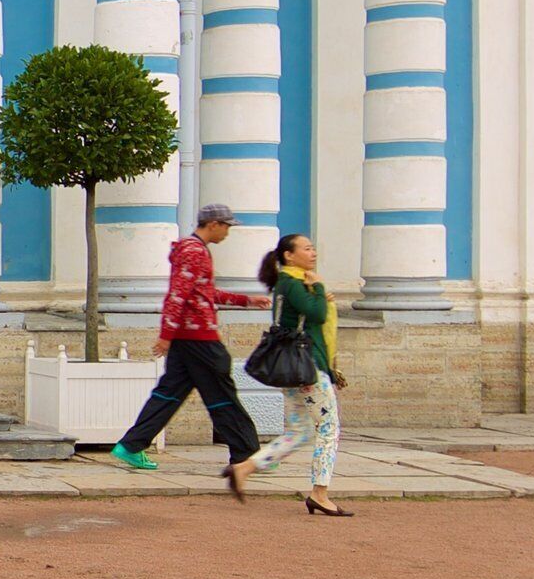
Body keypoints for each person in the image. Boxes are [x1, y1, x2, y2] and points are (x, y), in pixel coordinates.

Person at [109, 202, 265, 493]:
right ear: (213, 224)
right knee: (222, 395)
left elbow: (203, 293)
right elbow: (177, 296)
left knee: (168, 394)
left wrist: (246, 300)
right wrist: (165, 335)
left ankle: (131, 445)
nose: (228, 232)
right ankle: (247, 454)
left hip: (186, 338)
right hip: (198, 338)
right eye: (227, 226)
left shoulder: (194, 251)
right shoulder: (194, 252)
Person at [255, 232, 352, 517]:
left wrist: (320, 294)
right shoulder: (295, 283)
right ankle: (320, 492)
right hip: (308, 367)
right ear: (289, 255)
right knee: (329, 428)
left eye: (313, 248)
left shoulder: (290, 283)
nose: (313, 253)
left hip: (298, 366)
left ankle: (245, 467)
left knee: (299, 430)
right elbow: (318, 315)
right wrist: (320, 289)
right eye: (307, 248)